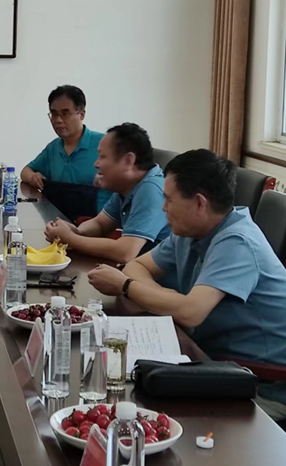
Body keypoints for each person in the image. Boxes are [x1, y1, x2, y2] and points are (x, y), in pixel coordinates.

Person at [87, 149, 286, 419]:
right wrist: (168, 297)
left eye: (169, 199)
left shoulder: (237, 241)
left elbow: (191, 313)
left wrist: (127, 287)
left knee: (140, 413)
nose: (163, 208)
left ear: (199, 203)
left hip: (261, 384)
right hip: (211, 361)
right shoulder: (191, 230)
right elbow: (137, 266)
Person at [44, 123, 170, 264]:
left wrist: (71, 238)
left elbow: (125, 252)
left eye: (102, 157)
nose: (96, 164)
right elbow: (100, 224)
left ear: (128, 161)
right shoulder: (126, 186)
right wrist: (75, 232)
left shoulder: (151, 189)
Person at [21, 85, 111, 212]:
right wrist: (33, 177)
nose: (58, 120)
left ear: (82, 114)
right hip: (57, 219)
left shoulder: (104, 144)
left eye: (65, 113)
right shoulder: (53, 148)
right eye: (54, 114)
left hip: (98, 221)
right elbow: (25, 171)